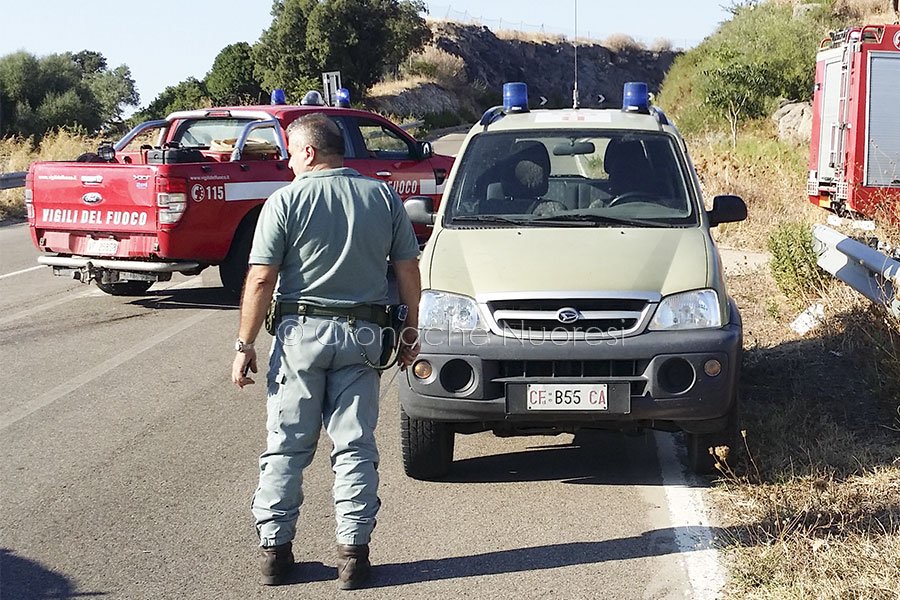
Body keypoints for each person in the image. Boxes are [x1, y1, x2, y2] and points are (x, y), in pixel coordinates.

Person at [230, 112, 421, 589]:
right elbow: (407, 270)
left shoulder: (284, 202)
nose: (288, 162)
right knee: (354, 445)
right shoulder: (381, 196)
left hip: (299, 340)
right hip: (364, 338)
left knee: (288, 444)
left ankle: (275, 553)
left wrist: (244, 343)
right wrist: (413, 330)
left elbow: (260, 278)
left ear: (310, 152)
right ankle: (353, 556)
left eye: (291, 153)